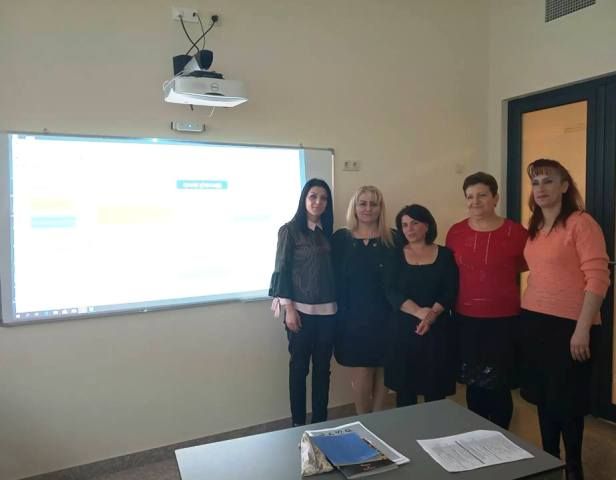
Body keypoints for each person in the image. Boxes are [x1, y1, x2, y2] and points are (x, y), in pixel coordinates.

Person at [520, 159, 609, 480]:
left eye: (548, 181)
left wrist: (582, 328)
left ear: (564, 186)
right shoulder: (535, 227)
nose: (540, 188)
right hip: (535, 321)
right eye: (535, 182)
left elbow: (598, 277)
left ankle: (573, 467)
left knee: (568, 402)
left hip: (571, 326)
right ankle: (549, 460)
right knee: (544, 398)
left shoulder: (581, 223)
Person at [445, 172, 528, 429]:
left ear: (495, 198)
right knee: (474, 383)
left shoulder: (516, 232)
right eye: (470, 196)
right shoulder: (456, 232)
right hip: (467, 319)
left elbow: (524, 266)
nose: (475, 201)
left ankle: (502, 438)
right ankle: (479, 436)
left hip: (504, 319)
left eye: (482, 195)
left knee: (500, 385)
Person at [269, 178, 337, 426]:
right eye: (313, 196)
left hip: (328, 312)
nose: (318, 202)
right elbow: (282, 269)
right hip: (299, 312)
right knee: (299, 369)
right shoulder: (290, 230)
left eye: (323, 198)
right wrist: (289, 309)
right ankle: (298, 423)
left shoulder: (327, 232)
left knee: (322, 370)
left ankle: (320, 422)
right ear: (304, 199)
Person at [385, 204, 458, 407]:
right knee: (405, 392)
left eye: (415, 223)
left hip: (437, 329)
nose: (409, 229)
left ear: (427, 225)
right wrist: (418, 312)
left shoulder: (445, 255)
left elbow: (450, 290)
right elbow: (390, 291)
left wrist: (431, 315)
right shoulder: (394, 255)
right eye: (404, 225)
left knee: (435, 391)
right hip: (403, 330)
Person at [332, 186, 395, 414]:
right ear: (355, 207)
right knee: (362, 370)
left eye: (373, 204)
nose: (368, 208)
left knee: (384, 368)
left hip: (387, 315)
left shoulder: (393, 238)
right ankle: (364, 420)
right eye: (363, 203)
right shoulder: (341, 239)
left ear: (380, 208)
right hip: (351, 317)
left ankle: (378, 420)